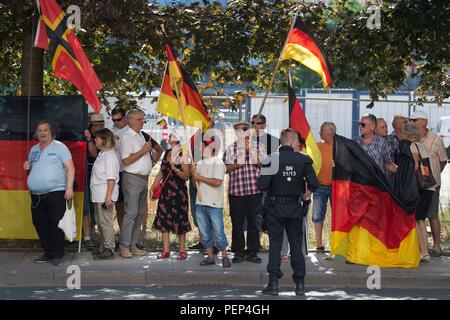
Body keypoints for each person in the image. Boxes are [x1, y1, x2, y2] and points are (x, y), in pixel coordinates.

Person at [257, 128, 319, 296]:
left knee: (275, 246)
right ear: (291, 141)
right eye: (297, 141)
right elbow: (314, 183)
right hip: (295, 209)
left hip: (275, 209)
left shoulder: (271, 160)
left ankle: (273, 284)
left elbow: (262, 185)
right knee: (296, 246)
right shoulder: (303, 160)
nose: (299, 144)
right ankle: (299, 284)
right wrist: (307, 193)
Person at [23, 121, 75, 266]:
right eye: (40, 130)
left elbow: (70, 168)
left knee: (55, 222)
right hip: (36, 194)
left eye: (45, 130)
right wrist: (27, 169)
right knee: (40, 223)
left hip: (56, 192)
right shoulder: (33, 149)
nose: (42, 133)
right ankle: (48, 252)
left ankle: (57, 253)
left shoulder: (60, 147)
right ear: (36, 133)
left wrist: (69, 188)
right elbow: (33, 170)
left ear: (51, 132)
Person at [223, 121, 266, 264]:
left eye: (245, 130)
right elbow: (225, 169)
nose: (242, 133)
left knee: (254, 223)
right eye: (239, 131)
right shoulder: (230, 149)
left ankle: (252, 252)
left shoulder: (259, 147)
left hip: (255, 191)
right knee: (237, 223)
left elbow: (264, 164)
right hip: (236, 192)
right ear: (236, 133)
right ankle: (238, 252)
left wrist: (250, 152)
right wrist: (237, 164)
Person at [118, 109, 155, 258]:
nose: (142, 122)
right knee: (131, 214)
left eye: (143, 119)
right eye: (139, 119)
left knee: (139, 214)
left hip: (142, 179)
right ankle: (124, 246)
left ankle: (133, 245)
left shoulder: (140, 136)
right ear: (130, 120)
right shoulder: (127, 137)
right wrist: (143, 150)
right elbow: (126, 160)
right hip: (132, 178)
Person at [411, 110, 448, 257]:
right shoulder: (412, 139)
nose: (412, 122)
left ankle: (437, 247)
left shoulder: (436, 139)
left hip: (431, 184)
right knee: (417, 216)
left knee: (432, 214)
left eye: (415, 120)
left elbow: (443, 160)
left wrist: (433, 173)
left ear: (424, 122)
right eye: (411, 120)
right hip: (415, 184)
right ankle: (421, 247)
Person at [151, 134, 191, 260]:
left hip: (179, 193)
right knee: (163, 219)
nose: (169, 136)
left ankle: (182, 250)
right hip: (166, 192)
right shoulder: (167, 152)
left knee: (180, 220)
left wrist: (175, 168)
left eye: (172, 135)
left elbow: (186, 176)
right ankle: (166, 250)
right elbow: (161, 172)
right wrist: (153, 186)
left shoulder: (183, 154)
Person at [192, 140, 231, 268]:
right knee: (204, 233)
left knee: (219, 231)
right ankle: (210, 257)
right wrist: (194, 177)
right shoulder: (199, 163)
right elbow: (195, 184)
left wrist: (200, 178)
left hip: (214, 204)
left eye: (201, 146)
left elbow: (217, 182)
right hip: (200, 202)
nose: (199, 149)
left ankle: (225, 256)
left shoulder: (218, 163)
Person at [399, 122, 435, 262]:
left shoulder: (412, 146)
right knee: (420, 219)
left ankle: (424, 252)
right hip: (428, 187)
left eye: (402, 133)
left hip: (421, 187)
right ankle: (424, 251)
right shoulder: (422, 145)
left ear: (407, 134)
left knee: (418, 220)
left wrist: (405, 175)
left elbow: (414, 165)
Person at [90, 128, 120, 259]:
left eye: (97, 138)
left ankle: (109, 247)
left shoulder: (110, 155)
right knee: (100, 222)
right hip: (98, 193)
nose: (94, 140)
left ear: (104, 140)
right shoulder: (103, 153)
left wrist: (108, 195)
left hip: (104, 194)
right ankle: (103, 246)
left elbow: (111, 177)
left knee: (105, 222)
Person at [312, 122, 335, 254]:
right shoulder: (317, 146)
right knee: (317, 215)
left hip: (336, 187)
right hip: (319, 185)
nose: (319, 132)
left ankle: (335, 244)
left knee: (336, 216)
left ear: (330, 132)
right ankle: (319, 243)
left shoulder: (340, 146)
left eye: (322, 130)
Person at [83, 113, 105, 251]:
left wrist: (90, 139)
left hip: (96, 175)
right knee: (86, 206)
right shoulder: (82, 135)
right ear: (91, 125)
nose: (101, 126)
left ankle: (92, 234)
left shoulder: (103, 137)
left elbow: (94, 154)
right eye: (98, 124)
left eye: (102, 124)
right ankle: (86, 236)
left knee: (93, 205)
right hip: (83, 173)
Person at [354, 114, 397, 178]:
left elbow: (388, 164)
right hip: (360, 184)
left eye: (363, 125)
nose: (360, 127)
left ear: (372, 127)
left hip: (377, 184)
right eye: (359, 124)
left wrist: (404, 172)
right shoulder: (354, 142)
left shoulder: (383, 143)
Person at [110, 107, 129, 237]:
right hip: (116, 173)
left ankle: (135, 237)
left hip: (129, 172)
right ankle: (123, 235)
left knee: (131, 207)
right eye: (114, 120)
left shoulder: (132, 131)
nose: (116, 122)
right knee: (119, 206)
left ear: (125, 117)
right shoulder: (111, 132)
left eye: (119, 119)